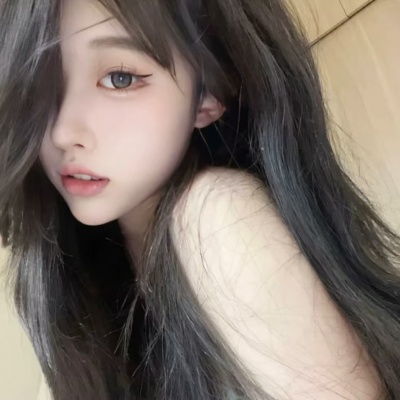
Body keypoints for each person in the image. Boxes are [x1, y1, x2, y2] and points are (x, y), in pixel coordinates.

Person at [0, 0, 399, 399]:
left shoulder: (217, 218)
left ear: (209, 93)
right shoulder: (86, 285)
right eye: (41, 83)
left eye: (120, 78)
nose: (62, 131)